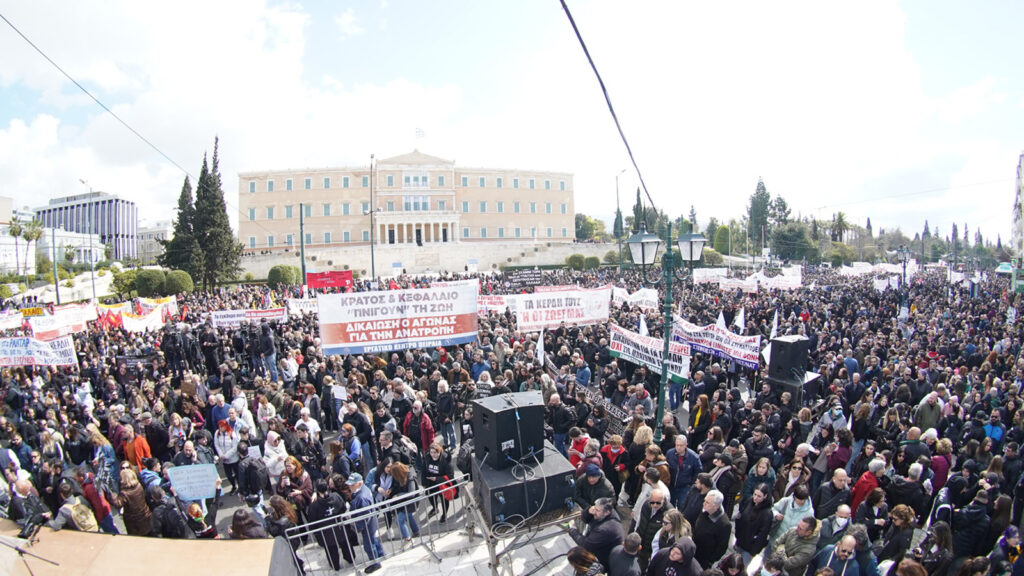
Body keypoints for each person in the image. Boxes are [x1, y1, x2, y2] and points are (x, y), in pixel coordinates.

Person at [304, 479, 353, 571]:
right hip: (340, 528)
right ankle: (350, 559)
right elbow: (343, 508)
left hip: (326, 533)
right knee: (345, 545)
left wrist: (317, 535)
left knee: (332, 550)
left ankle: (335, 566)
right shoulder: (336, 496)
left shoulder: (314, 506)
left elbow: (312, 522)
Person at [569, 497, 624, 570]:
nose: (594, 511)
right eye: (594, 507)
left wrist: (573, 530)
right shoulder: (604, 513)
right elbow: (585, 519)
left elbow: (586, 545)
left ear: (607, 512)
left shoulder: (605, 529)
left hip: (605, 561)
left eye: (597, 510)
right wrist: (588, 511)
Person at [346, 472, 384, 573]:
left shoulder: (361, 497)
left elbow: (364, 516)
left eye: (352, 484)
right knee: (374, 540)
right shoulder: (363, 490)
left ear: (359, 483)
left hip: (367, 526)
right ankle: (380, 554)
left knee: (369, 546)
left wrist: (358, 528)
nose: (350, 487)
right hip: (371, 523)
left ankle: (375, 563)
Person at [630, 487, 671, 572]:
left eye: (658, 503)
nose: (655, 505)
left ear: (663, 501)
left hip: (654, 546)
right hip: (642, 542)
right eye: (652, 502)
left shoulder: (668, 512)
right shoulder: (646, 504)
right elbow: (640, 520)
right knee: (640, 564)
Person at [735, 483, 775, 563]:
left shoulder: (767, 513)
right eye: (755, 494)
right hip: (740, 542)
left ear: (765, 496)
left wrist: (753, 552)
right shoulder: (749, 501)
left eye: (759, 496)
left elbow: (762, 535)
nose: (755, 498)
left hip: (749, 549)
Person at [693, 489, 732, 568]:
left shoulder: (724, 524)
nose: (704, 504)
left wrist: (710, 560)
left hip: (704, 559)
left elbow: (722, 547)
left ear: (716, 506)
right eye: (705, 501)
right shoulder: (705, 511)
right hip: (694, 551)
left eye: (707, 503)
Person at [421, 441, 454, 523]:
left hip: (442, 484)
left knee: (444, 500)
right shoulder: (427, 458)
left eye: (435, 452)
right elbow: (423, 470)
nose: (433, 455)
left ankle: (444, 514)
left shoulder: (445, 460)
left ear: (439, 451)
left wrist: (436, 479)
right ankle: (435, 508)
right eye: (431, 452)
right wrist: (424, 483)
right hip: (430, 483)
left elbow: (450, 476)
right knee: (431, 497)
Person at [115, 467, 152, 536]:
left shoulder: (124, 493)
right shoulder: (139, 486)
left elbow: (118, 504)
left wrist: (112, 494)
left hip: (134, 523)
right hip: (145, 516)